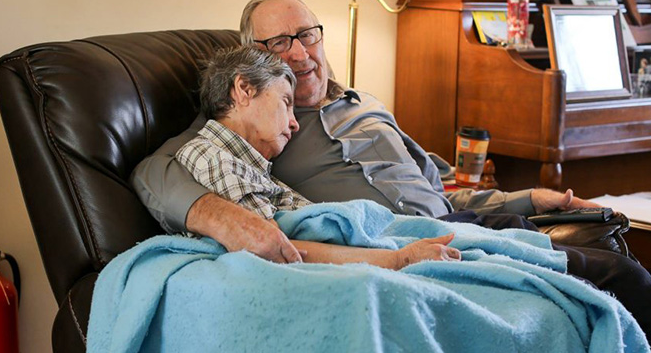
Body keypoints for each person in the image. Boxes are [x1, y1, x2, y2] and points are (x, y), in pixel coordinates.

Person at [132, 0, 651, 353]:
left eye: (308, 34)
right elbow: (156, 169)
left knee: (614, 269)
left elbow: (439, 183)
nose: (302, 52)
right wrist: (215, 213)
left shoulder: (363, 104)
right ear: (251, 62)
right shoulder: (262, 119)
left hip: (457, 219)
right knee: (615, 274)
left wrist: (525, 199)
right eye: (279, 42)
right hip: (401, 238)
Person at [177, 45, 461, 270]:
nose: (294, 123)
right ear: (244, 90)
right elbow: (277, 250)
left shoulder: (251, 167)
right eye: (286, 102)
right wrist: (401, 259)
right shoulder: (209, 156)